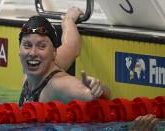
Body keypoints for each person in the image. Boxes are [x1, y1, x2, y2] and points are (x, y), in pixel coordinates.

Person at [18, 7, 160, 131]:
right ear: (19, 49)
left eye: (42, 46)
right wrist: (68, 20)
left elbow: (91, 94)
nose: (33, 53)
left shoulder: (58, 85)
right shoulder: (35, 64)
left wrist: (98, 89)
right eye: (27, 45)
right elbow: (71, 47)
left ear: (53, 52)